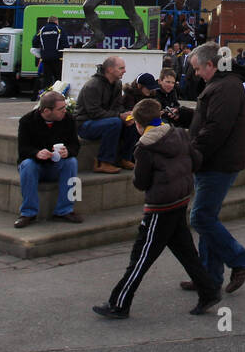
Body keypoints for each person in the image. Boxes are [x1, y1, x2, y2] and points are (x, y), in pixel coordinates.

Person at [93, 98, 221, 318]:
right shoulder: (179, 134)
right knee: (185, 250)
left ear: (139, 125)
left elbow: (141, 182)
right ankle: (209, 290)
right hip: (180, 199)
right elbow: (196, 160)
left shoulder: (145, 147)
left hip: (160, 206)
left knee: (141, 257)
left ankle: (119, 303)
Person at [184, 42, 245, 296]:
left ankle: (241, 259)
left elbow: (216, 128)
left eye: (197, 69)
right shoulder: (222, 84)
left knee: (200, 218)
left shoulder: (226, 87)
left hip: (218, 163)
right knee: (207, 219)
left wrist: (192, 153)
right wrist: (182, 115)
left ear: (211, 65)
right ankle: (209, 277)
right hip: (215, 161)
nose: (196, 74)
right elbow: (208, 118)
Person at [14, 91, 83, 227]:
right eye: (60, 109)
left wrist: (67, 151)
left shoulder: (68, 119)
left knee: (72, 162)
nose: (64, 111)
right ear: (46, 110)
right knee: (27, 165)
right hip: (36, 164)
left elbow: (75, 145)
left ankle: (65, 209)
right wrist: (37, 153)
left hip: (56, 165)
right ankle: (28, 213)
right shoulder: (27, 121)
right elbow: (23, 149)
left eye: (65, 107)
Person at [76, 55, 133, 173]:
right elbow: (94, 113)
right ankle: (103, 162)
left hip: (104, 120)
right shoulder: (93, 85)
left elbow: (118, 106)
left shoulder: (117, 84)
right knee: (115, 122)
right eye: (121, 68)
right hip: (85, 124)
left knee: (131, 122)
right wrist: (119, 116)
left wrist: (126, 114)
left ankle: (125, 158)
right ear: (110, 69)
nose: (125, 71)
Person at [33, 16, 66, 92]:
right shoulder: (59, 29)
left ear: (48, 21)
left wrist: (41, 50)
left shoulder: (42, 30)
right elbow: (65, 43)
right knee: (58, 78)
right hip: (57, 58)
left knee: (47, 78)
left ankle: (46, 95)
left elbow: (34, 41)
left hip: (45, 58)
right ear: (56, 21)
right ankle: (58, 94)